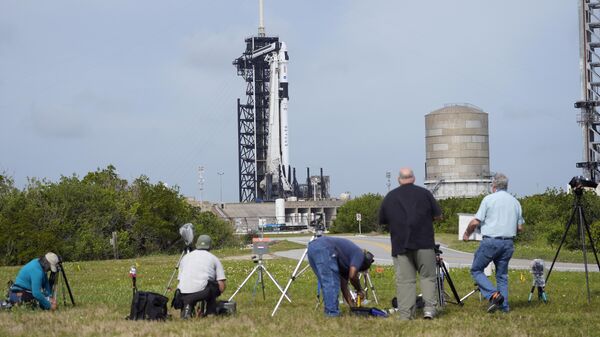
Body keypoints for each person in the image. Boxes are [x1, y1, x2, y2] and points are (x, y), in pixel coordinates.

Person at [378, 167, 442, 320]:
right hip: (425, 243)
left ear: (399, 180)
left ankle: (406, 314)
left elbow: (382, 221)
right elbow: (438, 216)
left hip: (401, 245)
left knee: (405, 281)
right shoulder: (425, 193)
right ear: (413, 178)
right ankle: (429, 310)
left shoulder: (390, 197)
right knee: (428, 277)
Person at [462, 173, 524, 313]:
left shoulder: (488, 199)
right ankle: (504, 307)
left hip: (491, 242)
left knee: (476, 270)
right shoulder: (515, 202)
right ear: (506, 186)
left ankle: (493, 295)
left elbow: (475, 221)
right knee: (502, 276)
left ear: (494, 186)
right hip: (508, 243)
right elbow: (520, 227)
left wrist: (467, 233)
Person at [307, 236, 375, 317]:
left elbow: (344, 287)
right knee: (331, 283)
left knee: (326, 283)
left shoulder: (346, 263)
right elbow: (352, 276)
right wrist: (359, 289)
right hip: (325, 247)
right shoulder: (359, 254)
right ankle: (332, 314)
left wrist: (353, 307)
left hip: (312, 247)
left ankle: (330, 311)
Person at [177, 234, 226, 318]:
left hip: (182, 293)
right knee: (214, 287)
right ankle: (210, 312)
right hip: (202, 293)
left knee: (191, 294)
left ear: (197, 244)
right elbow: (221, 284)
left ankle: (187, 309)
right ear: (210, 246)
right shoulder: (214, 258)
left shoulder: (185, 258)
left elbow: (179, 279)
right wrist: (218, 292)